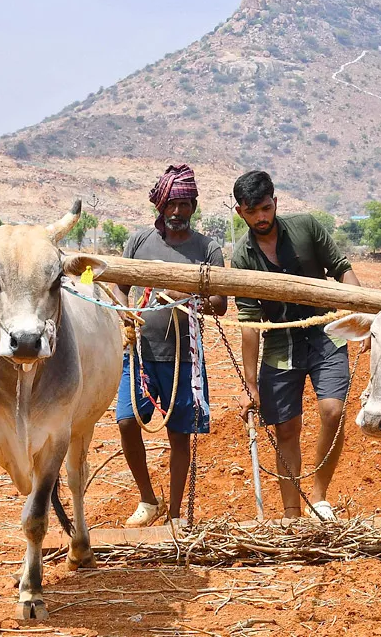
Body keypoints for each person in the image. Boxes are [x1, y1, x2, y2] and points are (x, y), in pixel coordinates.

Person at [230, 170, 360, 520]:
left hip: (326, 332)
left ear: (276, 202)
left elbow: (342, 269)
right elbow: (249, 323)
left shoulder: (307, 228)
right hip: (280, 343)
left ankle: (318, 498)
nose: (261, 217)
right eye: (252, 210)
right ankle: (292, 514)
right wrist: (250, 385)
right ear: (240, 211)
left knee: (333, 412)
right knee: (286, 428)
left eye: (266, 208)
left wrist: (359, 304)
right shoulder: (242, 256)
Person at [116, 164, 227, 527]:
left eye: (184, 204)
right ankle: (149, 500)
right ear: (159, 205)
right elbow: (119, 284)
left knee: (179, 435)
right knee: (127, 421)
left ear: (194, 206)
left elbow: (221, 304)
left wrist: (186, 295)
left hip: (184, 358)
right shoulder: (138, 242)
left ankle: (177, 514)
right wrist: (125, 311)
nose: (177, 212)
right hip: (140, 354)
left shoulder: (208, 249)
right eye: (171, 204)